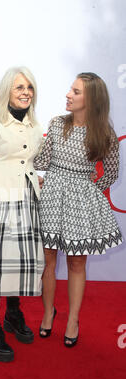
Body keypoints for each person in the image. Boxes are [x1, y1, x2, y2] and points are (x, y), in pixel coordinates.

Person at [34, 72, 123, 347]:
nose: (68, 95)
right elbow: (41, 160)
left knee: (76, 262)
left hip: (80, 201)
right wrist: (34, 173)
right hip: (51, 195)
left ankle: (72, 319)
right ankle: (48, 313)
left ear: (91, 99)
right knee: (48, 260)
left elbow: (110, 173)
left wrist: (87, 191)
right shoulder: (57, 123)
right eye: (70, 90)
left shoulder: (104, 133)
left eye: (75, 91)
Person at [0, 66, 45, 362]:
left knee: (19, 263)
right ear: (6, 92)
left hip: (27, 200)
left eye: (29, 87)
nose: (26, 92)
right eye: (19, 87)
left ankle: (13, 314)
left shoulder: (36, 127)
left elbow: (28, 161)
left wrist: (35, 177)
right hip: (0, 202)